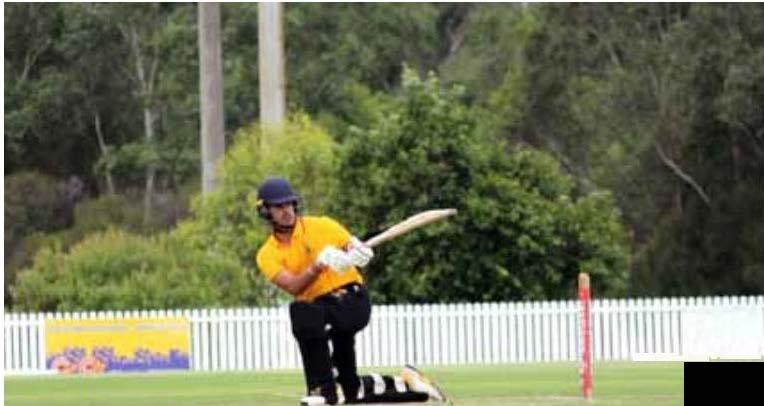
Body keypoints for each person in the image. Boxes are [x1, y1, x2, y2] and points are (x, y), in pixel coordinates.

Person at [254, 177, 448, 405]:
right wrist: (318, 265)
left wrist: (357, 252)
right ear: (265, 211)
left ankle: (322, 391)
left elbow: (350, 245)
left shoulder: (322, 225)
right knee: (350, 390)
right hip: (320, 313)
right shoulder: (267, 254)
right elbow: (294, 286)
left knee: (301, 312)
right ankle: (412, 385)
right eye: (279, 206)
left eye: (289, 204)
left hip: (351, 300)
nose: (286, 210)